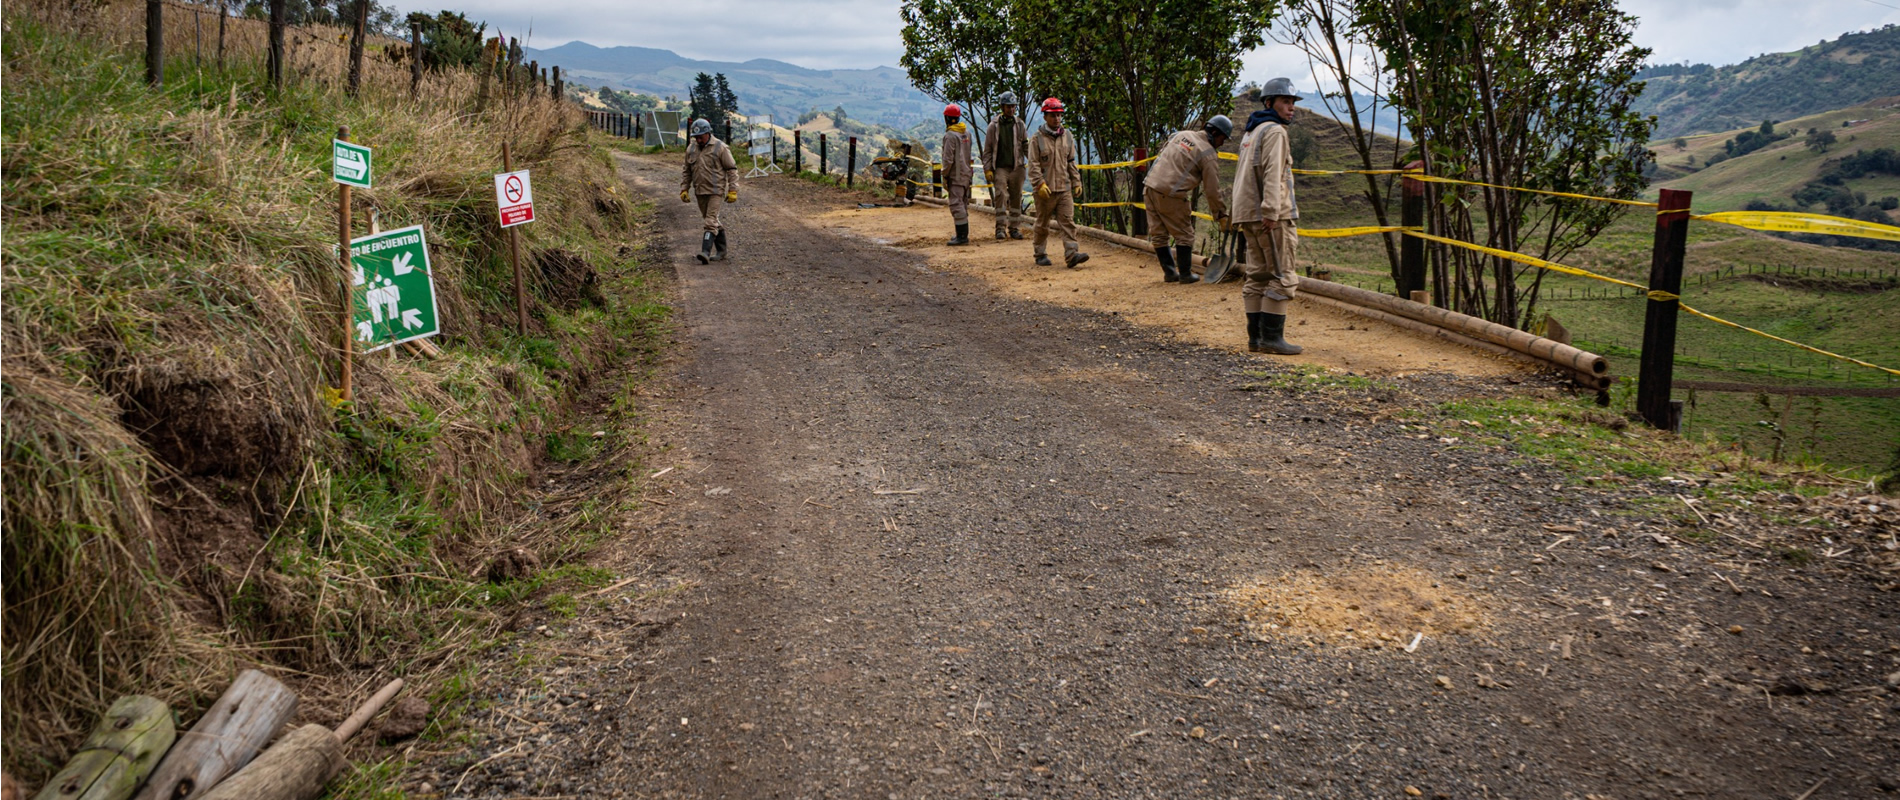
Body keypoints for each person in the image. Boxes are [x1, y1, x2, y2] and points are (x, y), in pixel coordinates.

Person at [1230, 78, 1303, 354]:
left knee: (1257, 276)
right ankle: (1272, 339)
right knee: (1283, 275)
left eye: (1293, 102)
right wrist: (1271, 210)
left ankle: (1256, 339)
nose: (1291, 108)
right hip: (1270, 216)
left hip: (1247, 213)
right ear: (1269, 103)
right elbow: (1274, 173)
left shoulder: (1252, 131)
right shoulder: (1275, 132)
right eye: (1286, 102)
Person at [1143, 116, 1232, 284]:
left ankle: (1170, 273)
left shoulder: (1181, 135)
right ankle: (1185, 274)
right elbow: (1212, 190)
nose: (1222, 143)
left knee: (1159, 234)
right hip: (1170, 193)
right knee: (1185, 235)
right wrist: (1220, 215)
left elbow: (1164, 153)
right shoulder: (1208, 154)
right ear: (1214, 133)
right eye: (1223, 138)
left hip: (1149, 186)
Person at [1025, 97, 1089, 268]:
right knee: (1042, 223)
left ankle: (1072, 254)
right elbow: (1033, 165)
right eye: (1053, 115)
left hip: (1064, 188)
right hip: (1045, 191)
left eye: (1059, 115)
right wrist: (1039, 184)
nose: (1057, 119)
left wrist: (1076, 182)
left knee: (1068, 222)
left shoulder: (1067, 136)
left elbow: (1071, 162)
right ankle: (1040, 253)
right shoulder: (1036, 139)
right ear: (1045, 116)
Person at [680, 117, 739, 263]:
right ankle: (722, 251)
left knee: (710, 222)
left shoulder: (720, 148)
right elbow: (687, 171)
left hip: (716, 191)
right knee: (712, 221)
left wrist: (733, 190)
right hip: (700, 191)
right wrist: (684, 189)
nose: (698, 140)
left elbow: (731, 169)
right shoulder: (691, 149)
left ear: (708, 133)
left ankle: (705, 252)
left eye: (700, 137)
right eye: (696, 137)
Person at [982, 91, 1030, 240]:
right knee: (1001, 196)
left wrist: (1035, 162)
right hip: (1001, 167)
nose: (1011, 109)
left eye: (1013, 107)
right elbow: (988, 149)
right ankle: (1000, 228)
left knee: (1016, 198)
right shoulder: (994, 126)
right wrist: (988, 168)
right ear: (1002, 107)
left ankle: (1014, 228)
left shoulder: (1020, 124)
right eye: (1008, 106)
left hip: (1017, 167)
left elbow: (1025, 145)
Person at [942, 104, 975, 245]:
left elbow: (948, 159)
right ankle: (961, 234)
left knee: (956, 205)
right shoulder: (966, 133)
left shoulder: (950, 136)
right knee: (963, 203)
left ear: (947, 118)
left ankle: (962, 237)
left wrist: (944, 174)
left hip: (956, 175)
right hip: (966, 173)